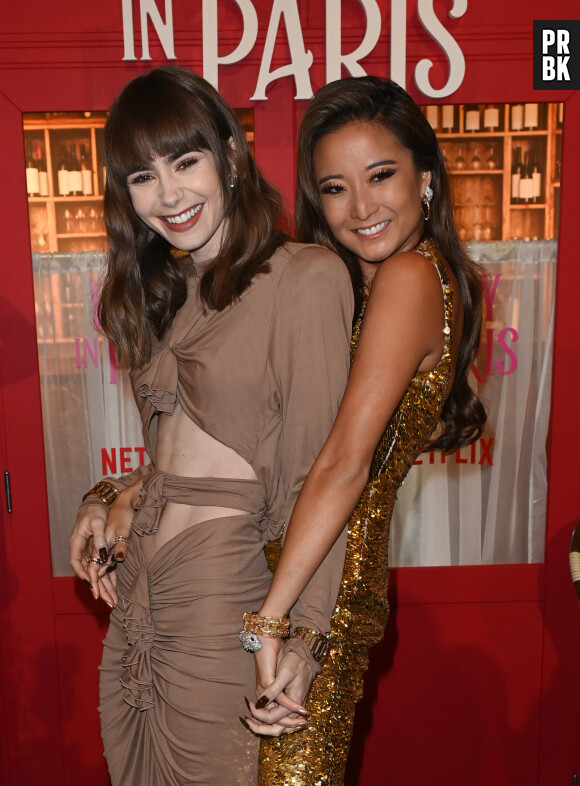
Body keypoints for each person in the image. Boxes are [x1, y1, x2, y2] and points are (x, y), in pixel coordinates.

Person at [68, 65, 354, 786]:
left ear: (229, 153)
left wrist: (301, 639)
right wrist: (106, 496)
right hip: (137, 598)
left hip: (221, 600)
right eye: (141, 176)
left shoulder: (305, 278)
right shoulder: (159, 293)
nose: (168, 195)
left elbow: (323, 476)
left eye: (185, 161)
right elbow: (173, 457)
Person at [242, 76, 487, 785]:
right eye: (336, 187)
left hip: (318, 593)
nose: (361, 207)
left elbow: (345, 463)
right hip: (312, 580)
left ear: (426, 178)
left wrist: (271, 622)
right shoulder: (385, 283)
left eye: (381, 175)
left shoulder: (410, 277)